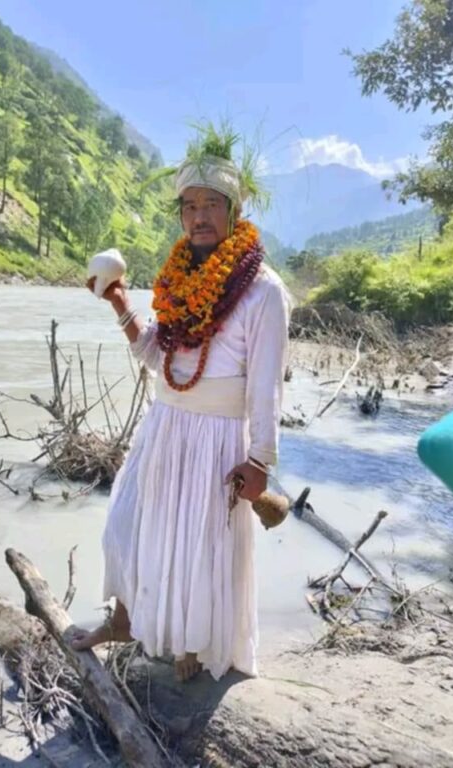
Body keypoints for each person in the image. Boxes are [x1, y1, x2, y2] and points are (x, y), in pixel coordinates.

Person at [72, 132, 292, 682]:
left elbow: (267, 386)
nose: (198, 217)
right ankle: (123, 621)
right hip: (164, 426)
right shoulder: (177, 281)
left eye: (210, 204)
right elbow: (159, 358)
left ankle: (193, 647)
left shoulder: (264, 291)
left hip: (217, 437)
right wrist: (120, 302)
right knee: (126, 527)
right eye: (189, 206)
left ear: (234, 210)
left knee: (198, 549)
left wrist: (260, 461)